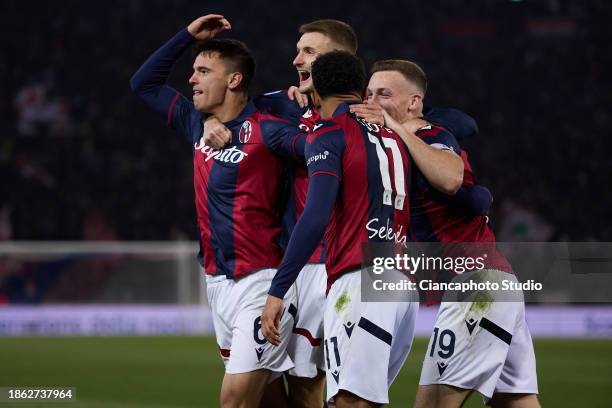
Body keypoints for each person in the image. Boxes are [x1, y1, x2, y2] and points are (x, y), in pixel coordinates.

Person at [130, 14, 307, 408]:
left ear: (234, 80)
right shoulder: (196, 123)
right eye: (193, 70)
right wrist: (186, 36)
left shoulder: (269, 129)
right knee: (268, 399)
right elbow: (143, 84)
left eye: (203, 70)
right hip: (217, 283)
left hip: (263, 281)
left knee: (234, 400)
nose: (191, 78)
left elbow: (322, 152)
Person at [358, 59, 540, 407]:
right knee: (516, 401)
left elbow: (451, 178)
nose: (373, 100)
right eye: (369, 93)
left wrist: (395, 126)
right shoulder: (391, 145)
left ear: (413, 102)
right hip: (492, 282)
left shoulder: (431, 135)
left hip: (474, 283)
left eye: (383, 93)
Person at [261, 50, 419, 407]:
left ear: (316, 92)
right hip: (403, 284)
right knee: (356, 400)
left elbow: (314, 216)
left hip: (360, 279)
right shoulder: (395, 135)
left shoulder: (328, 134)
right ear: (360, 88)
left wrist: (277, 289)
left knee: (350, 401)